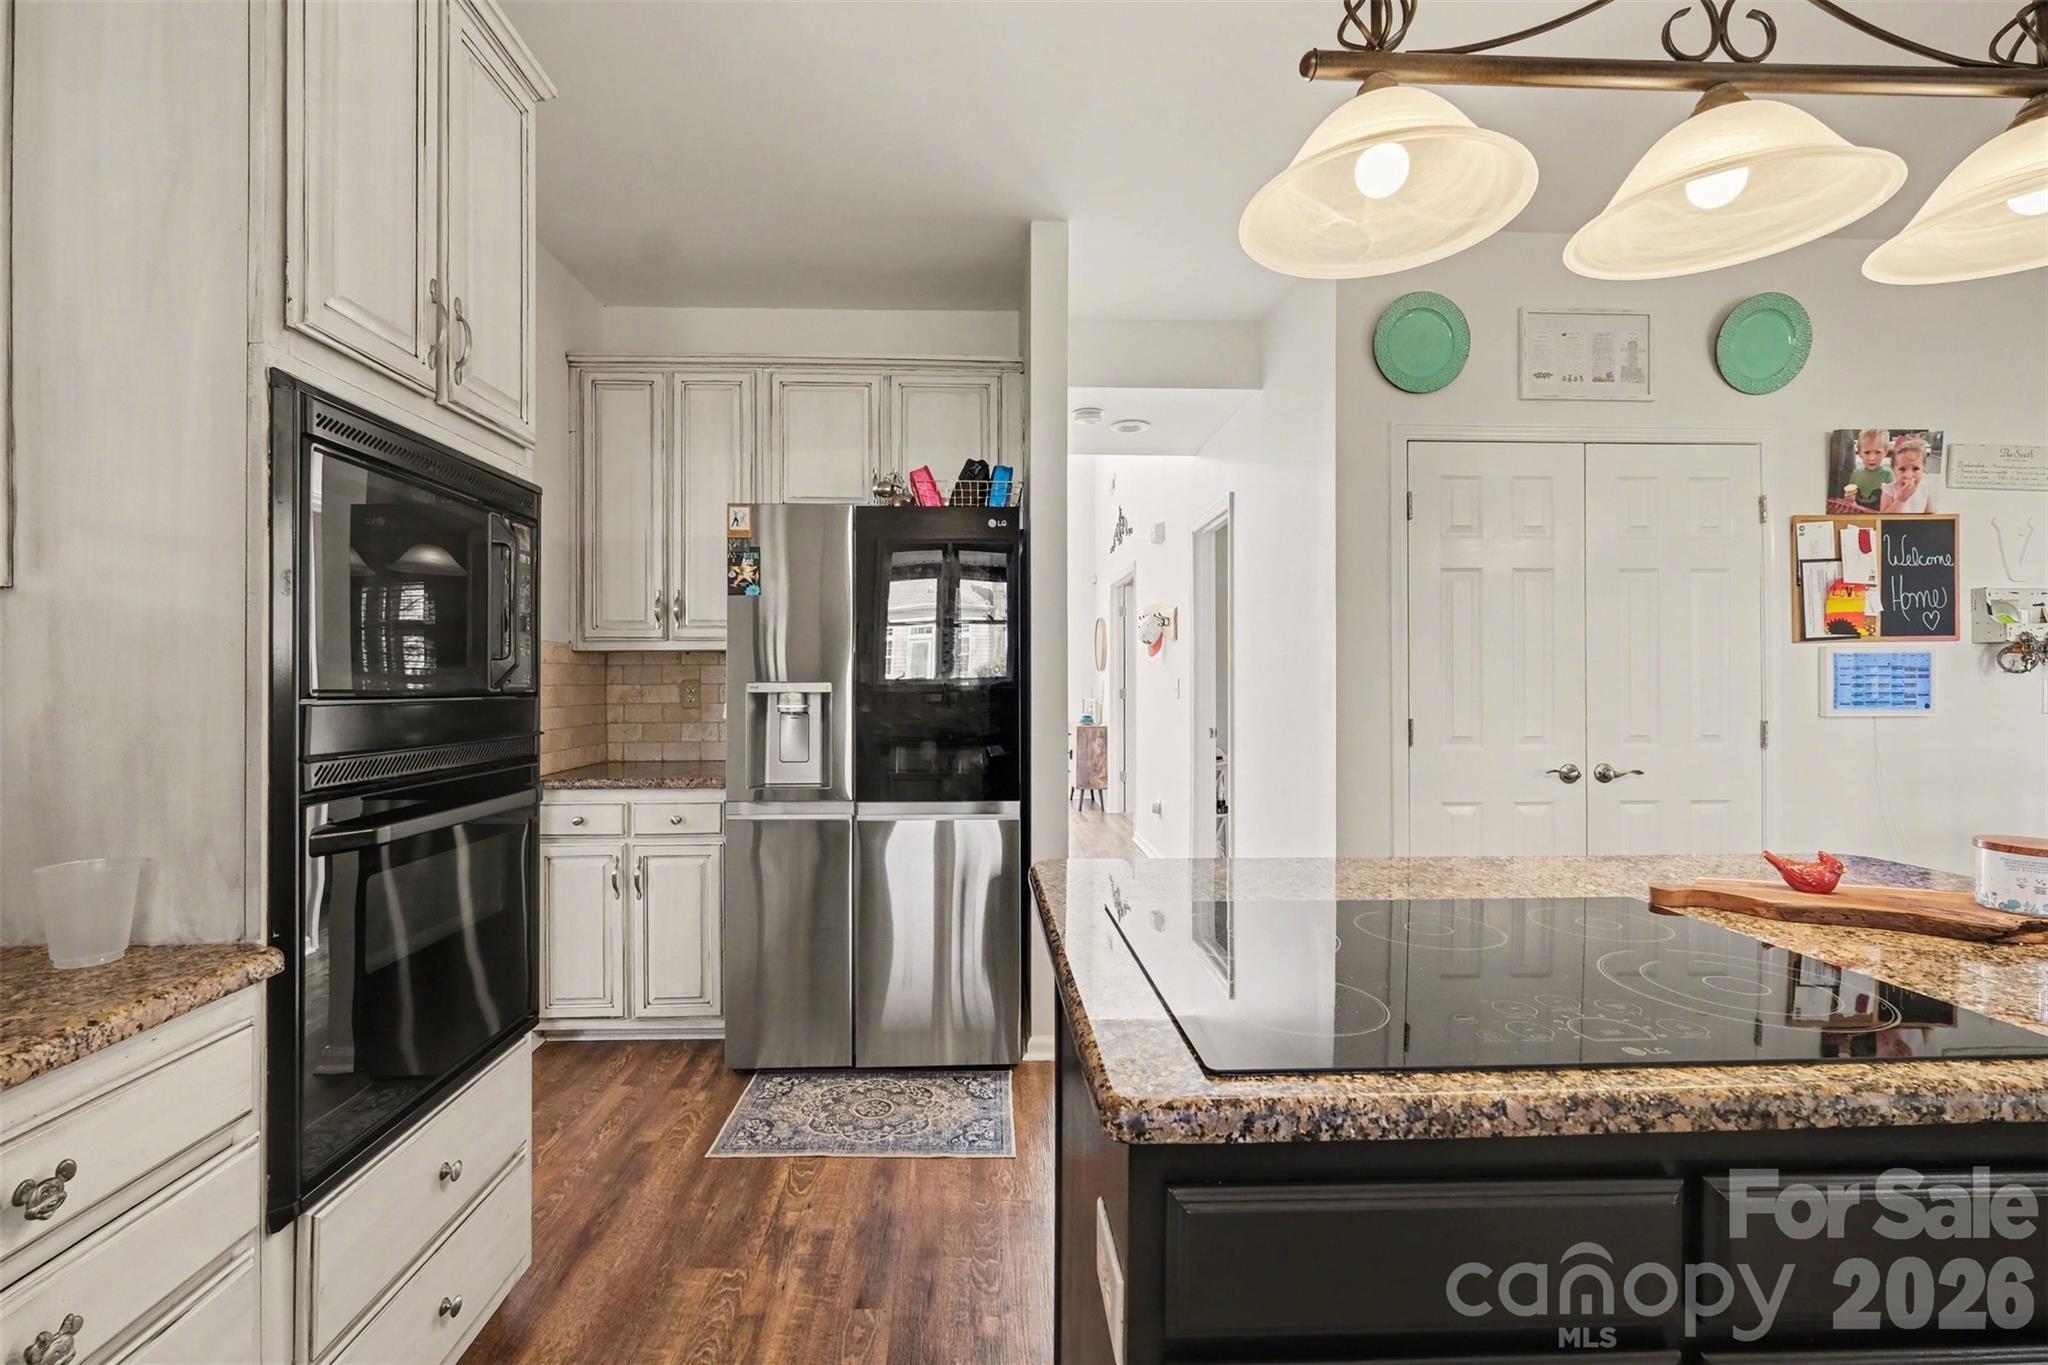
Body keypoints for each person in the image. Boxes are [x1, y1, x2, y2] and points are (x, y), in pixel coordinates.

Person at [1880, 436, 1938, 513]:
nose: (1909, 475)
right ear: (1894, 469)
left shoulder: (1925, 489)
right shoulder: (1889, 490)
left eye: (1915, 469)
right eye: (1902, 469)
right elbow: (1883, 518)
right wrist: (1900, 500)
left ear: (1923, 468)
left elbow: (1931, 515)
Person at [1842, 428, 1892, 510]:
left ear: (1885, 451)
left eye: (1877, 452)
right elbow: (1852, 500)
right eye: (1867, 452)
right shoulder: (1856, 473)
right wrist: (1849, 498)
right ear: (1859, 452)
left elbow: (1892, 503)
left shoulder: (1888, 475)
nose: (1872, 458)